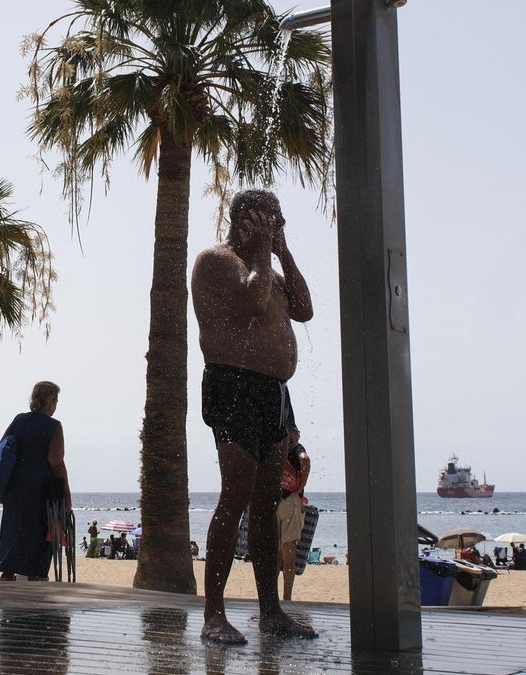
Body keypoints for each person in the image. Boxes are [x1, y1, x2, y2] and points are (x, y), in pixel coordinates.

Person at [191, 189, 315, 644]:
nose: (277, 228)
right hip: (232, 384)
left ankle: (270, 612)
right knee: (236, 494)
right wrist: (265, 252)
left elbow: (304, 308)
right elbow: (254, 301)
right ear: (245, 221)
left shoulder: (270, 266)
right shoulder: (216, 261)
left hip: (273, 392)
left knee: (267, 502)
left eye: (280, 222)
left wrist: (283, 251)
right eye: (270, 221)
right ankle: (213, 614)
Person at [0, 381, 71, 581]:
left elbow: (3, 446)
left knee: (13, 530)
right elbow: (56, 462)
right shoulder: (54, 426)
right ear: (51, 401)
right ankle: (36, 576)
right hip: (42, 490)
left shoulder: (19, 420)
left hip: (16, 487)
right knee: (40, 535)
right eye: (56, 400)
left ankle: (7, 574)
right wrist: (67, 495)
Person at [276, 432, 310, 602]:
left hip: (271, 502)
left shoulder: (272, 445)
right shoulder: (295, 447)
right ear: (292, 433)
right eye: (297, 431)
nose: (299, 434)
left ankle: (270, 596)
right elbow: (305, 460)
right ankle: (287, 598)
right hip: (290, 502)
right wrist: (302, 484)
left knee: (273, 552)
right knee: (289, 551)